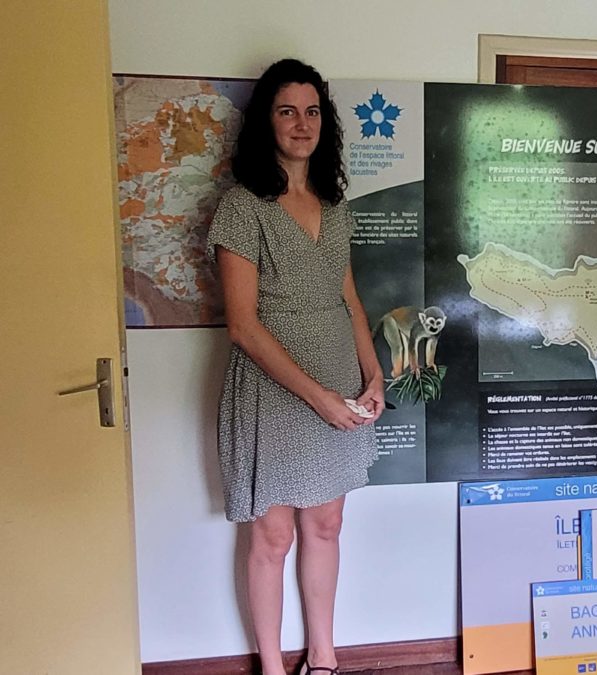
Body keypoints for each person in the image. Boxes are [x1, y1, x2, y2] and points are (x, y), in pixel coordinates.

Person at [207, 58, 384, 675]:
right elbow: (242, 325)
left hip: (338, 384)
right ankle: (274, 666)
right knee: (273, 535)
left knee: (328, 525)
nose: (301, 123)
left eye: (312, 111)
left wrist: (373, 373)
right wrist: (321, 398)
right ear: (267, 122)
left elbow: (349, 297)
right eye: (287, 111)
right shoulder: (242, 206)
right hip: (274, 393)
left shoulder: (334, 206)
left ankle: (325, 657)